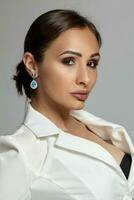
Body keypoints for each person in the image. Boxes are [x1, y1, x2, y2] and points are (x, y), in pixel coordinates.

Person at [0, 9, 133, 200]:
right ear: (32, 64)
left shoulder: (97, 128)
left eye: (92, 63)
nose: (85, 78)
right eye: (69, 61)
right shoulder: (21, 154)